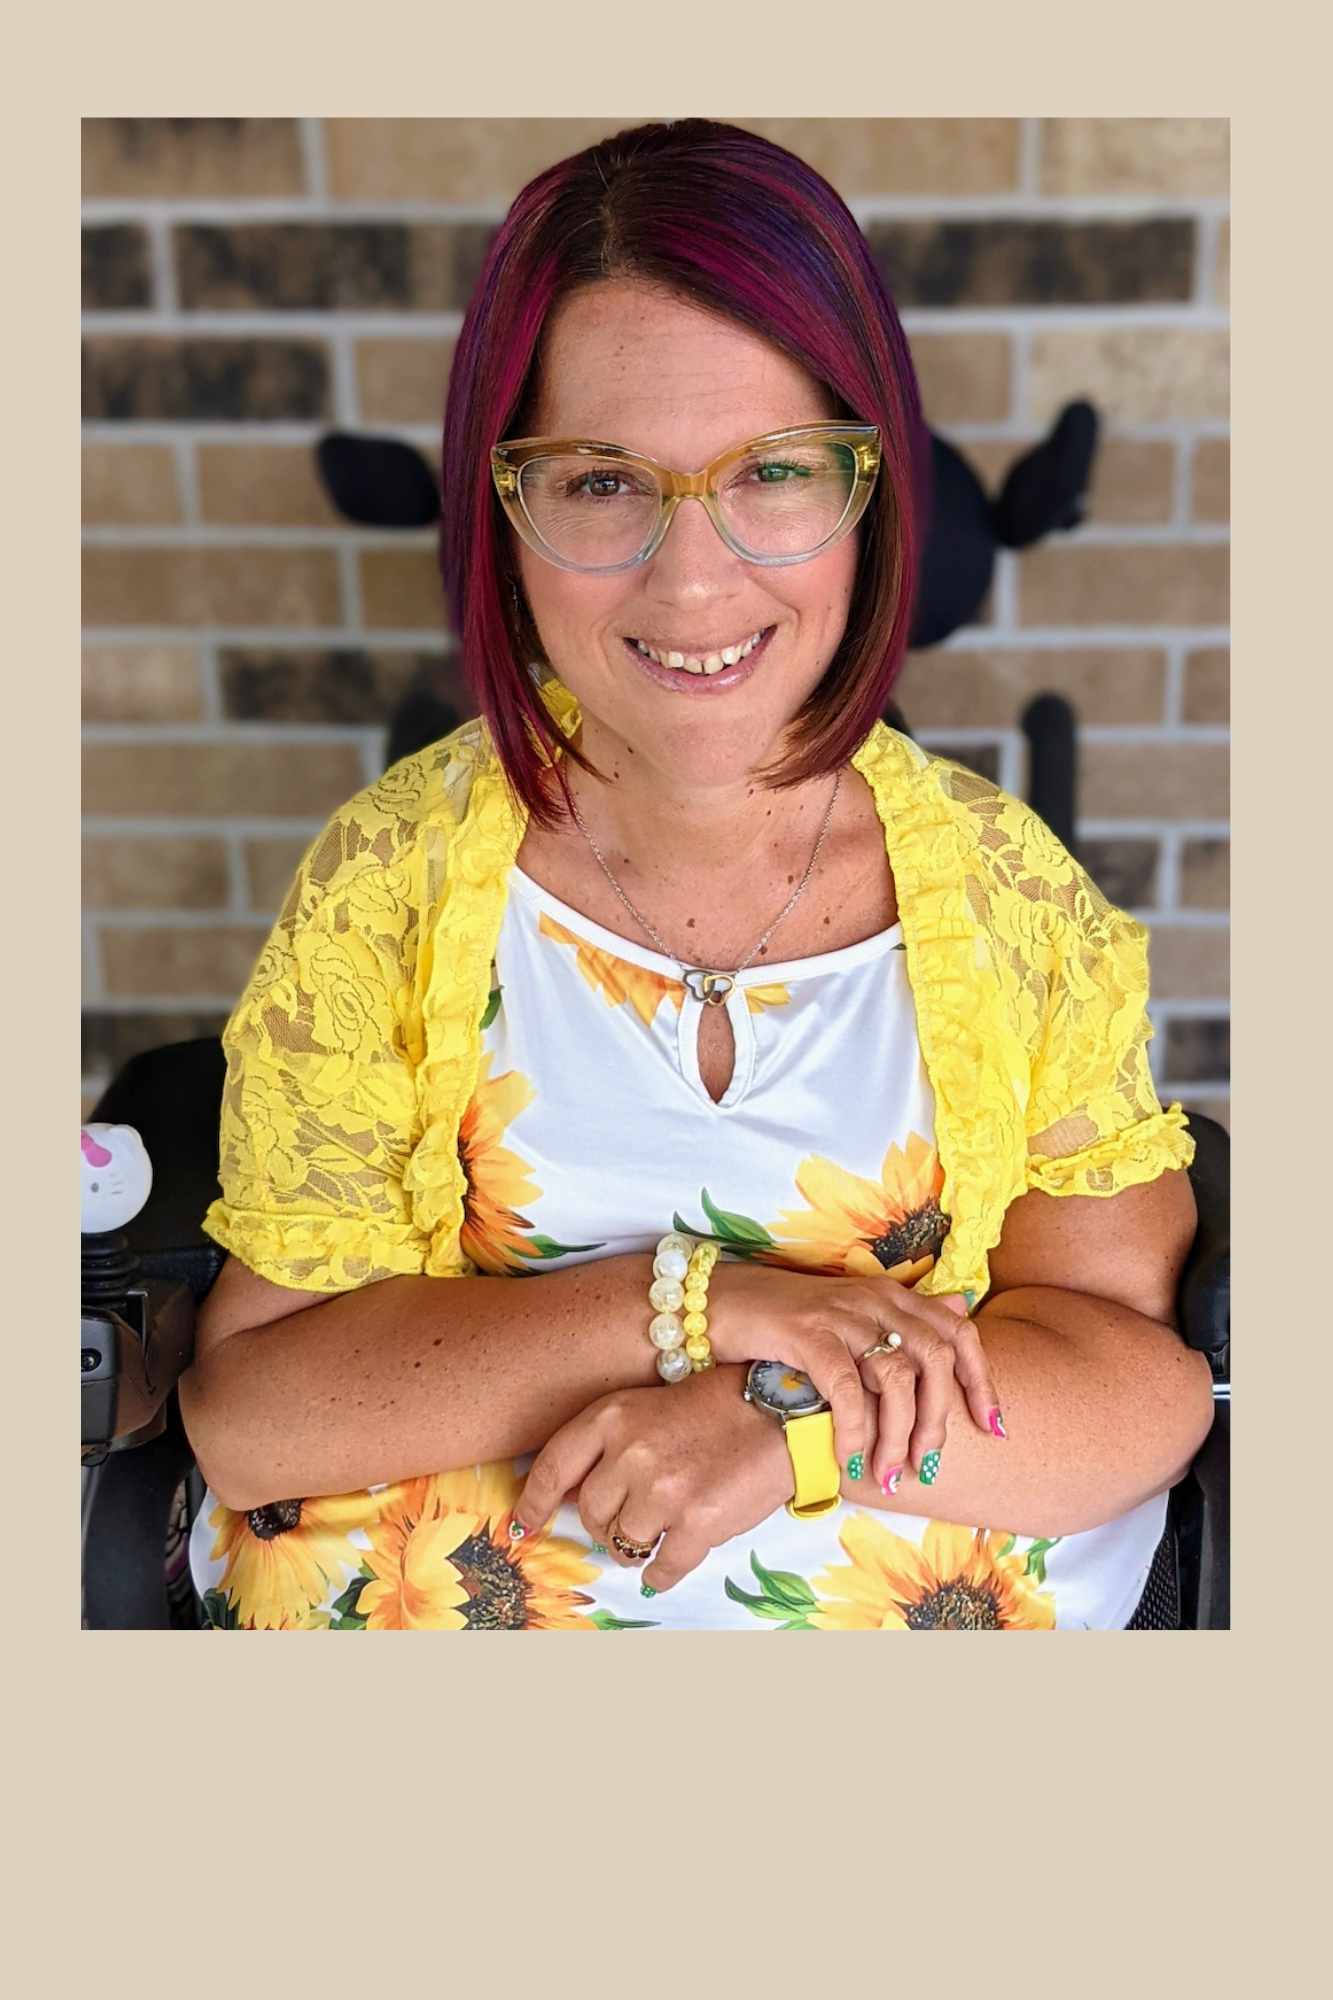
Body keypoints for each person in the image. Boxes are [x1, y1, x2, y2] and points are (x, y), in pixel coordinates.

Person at [179, 120, 1213, 1632]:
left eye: (775, 473)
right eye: (604, 483)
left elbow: (1139, 1392)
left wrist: (789, 1425)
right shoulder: (386, 884)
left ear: (872, 490)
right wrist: (697, 1305)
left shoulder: (1011, 901)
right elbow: (256, 1418)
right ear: (504, 510)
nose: (695, 577)